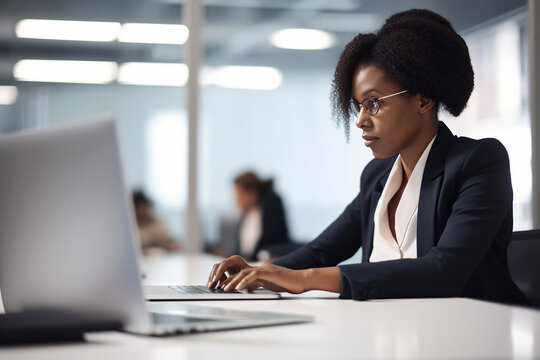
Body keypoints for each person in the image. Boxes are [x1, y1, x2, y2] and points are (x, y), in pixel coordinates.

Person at [206, 9, 529, 306]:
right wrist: (258, 271)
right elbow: (321, 251)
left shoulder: (478, 161)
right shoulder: (376, 175)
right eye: (358, 106)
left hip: (473, 337)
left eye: (373, 103)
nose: (360, 120)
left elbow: (444, 270)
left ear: (424, 99)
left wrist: (303, 280)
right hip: (388, 332)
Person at [212, 171, 292, 261]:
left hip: (267, 261)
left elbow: (270, 240)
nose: (236, 199)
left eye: (239, 194)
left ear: (252, 192)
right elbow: (242, 248)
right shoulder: (246, 213)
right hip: (249, 262)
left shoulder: (272, 203)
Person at [132, 190, 180, 254]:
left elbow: (167, 239)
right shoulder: (131, 226)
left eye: (144, 207)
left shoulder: (158, 222)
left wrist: (171, 244)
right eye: (138, 208)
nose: (142, 212)